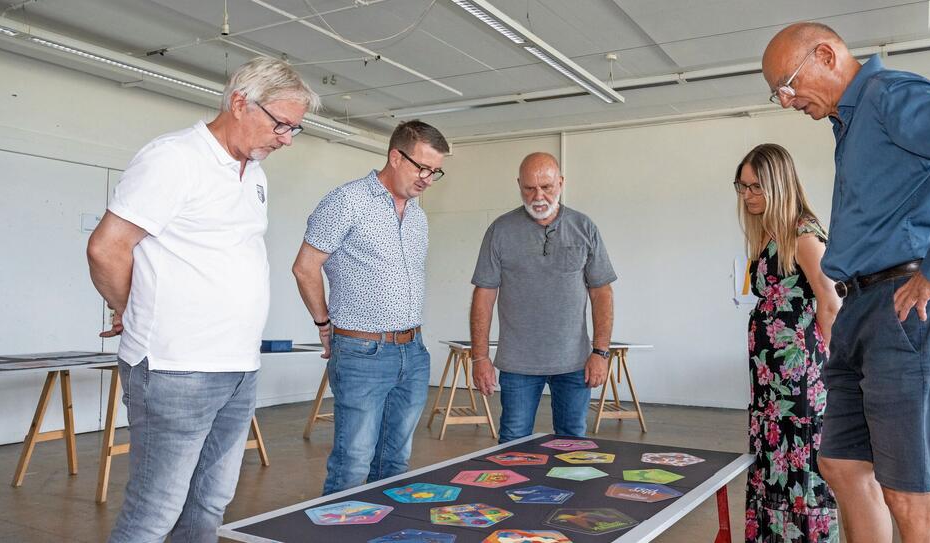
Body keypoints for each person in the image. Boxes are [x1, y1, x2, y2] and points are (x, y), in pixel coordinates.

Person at [762, 23, 930, 542]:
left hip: (906, 306)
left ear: (828, 55)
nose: (786, 101)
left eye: (787, 83)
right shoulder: (850, 123)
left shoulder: (888, 95)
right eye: (777, 93)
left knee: (912, 494)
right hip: (863, 305)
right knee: (841, 465)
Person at [86, 57, 318, 542]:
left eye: (295, 128)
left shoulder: (253, 171)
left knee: (210, 502)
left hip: (237, 367)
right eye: (282, 124)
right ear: (239, 103)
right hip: (176, 368)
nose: (287, 138)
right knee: (155, 511)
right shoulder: (173, 158)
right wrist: (131, 309)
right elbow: (107, 248)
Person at [292, 120, 450, 495]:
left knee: (395, 463)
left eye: (436, 171)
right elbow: (304, 267)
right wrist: (323, 322)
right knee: (353, 462)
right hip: (362, 353)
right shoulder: (347, 201)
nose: (428, 178)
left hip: (413, 352)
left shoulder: (418, 217)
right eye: (422, 167)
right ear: (396, 157)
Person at [470, 152, 616, 443]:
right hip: (517, 365)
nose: (538, 196)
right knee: (512, 443)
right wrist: (480, 357)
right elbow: (483, 295)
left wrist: (600, 352)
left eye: (547, 187)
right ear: (518, 185)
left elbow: (602, 292)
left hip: (575, 362)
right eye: (529, 188)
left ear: (560, 183)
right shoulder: (500, 230)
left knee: (573, 444)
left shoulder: (584, 228)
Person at [735, 144, 840, 542]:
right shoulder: (770, 234)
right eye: (742, 187)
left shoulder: (803, 233)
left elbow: (830, 301)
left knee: (799, 463)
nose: (747, 196)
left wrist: (827, 369)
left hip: (798, 383)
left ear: (778, 184)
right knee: (772, 462)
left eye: (756, 187)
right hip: (771, 385)